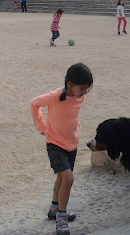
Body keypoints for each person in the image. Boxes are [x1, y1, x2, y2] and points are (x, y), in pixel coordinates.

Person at [30, 63, 94, 235]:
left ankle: (54, 208)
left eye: (87, 89)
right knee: (68, 178)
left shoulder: (80, 97)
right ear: (70, 84)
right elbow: (34, 103)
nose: (84, 92)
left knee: (61, 178)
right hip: (55, 144)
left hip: (72, 144)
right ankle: (61, 218)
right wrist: (42, 128)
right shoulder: (56, 96)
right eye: (82, 88)